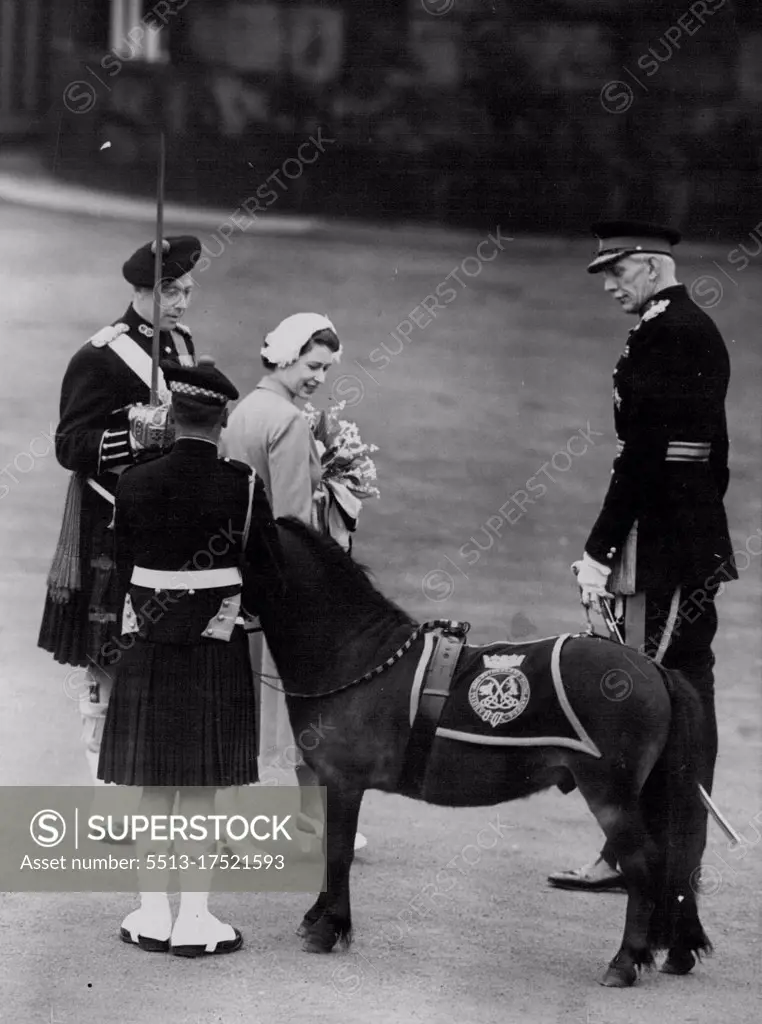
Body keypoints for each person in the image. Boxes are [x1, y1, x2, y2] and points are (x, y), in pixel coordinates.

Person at [548, 221, 737, 892]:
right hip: (667, 544)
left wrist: (600, 551)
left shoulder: (675, 332)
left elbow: (649, 459)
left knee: (666, 703)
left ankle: (664, 867)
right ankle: (638, 853)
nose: (609, 285)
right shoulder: (665, 327)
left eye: (617, 271)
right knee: (651, 699)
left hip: (669, 551)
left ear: (652, 267)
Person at [98, 356, 277, 956]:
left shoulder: (135, 480)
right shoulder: (243, 483)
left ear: (171, 415)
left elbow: (122, 566)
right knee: (199, 788)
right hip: (215, 649)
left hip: (149, 644)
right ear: (222, 419)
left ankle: (152, 915)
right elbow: (265, 574)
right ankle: (195, 920)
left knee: (154, 785)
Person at [38, 236, 201, 786]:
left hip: (165, 518)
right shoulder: (100, 355)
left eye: (186, 289)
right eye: (170, 291)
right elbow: (69, 445)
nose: (181, 301)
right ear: (141, 290)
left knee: (155, 649)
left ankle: (143, 772)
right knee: (107, 654)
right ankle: (103, 781)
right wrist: (135, 437)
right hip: (111, 519)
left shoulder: (181, 343)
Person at [221, 312, 368, 852]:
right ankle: (315, 822)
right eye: (312, 365)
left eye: (326, 368)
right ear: (284, 355)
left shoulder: (243, 411)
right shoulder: (287, 420)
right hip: (282, 580)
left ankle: (234, 820)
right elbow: (291, 521)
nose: (318, 378)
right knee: (305, 701)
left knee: (246, 702)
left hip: (237, 575)